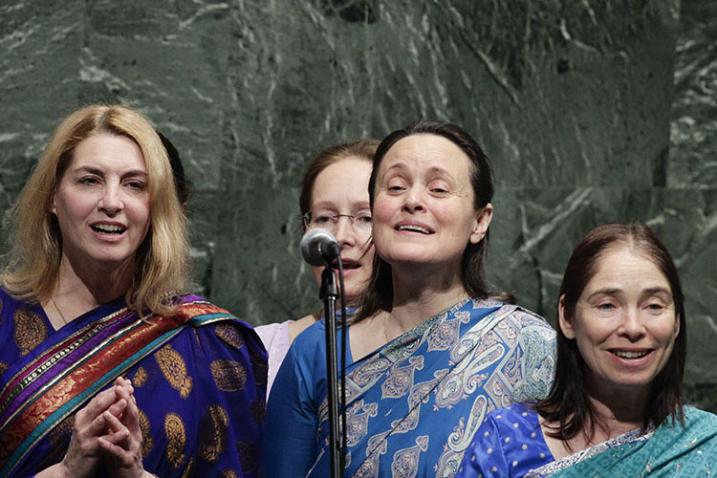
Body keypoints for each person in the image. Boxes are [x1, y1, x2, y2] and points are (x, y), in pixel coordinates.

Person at [262, 121, 556, 477]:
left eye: (438, 188)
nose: (413, 201)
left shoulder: (526, 345)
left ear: (480, 221)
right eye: (396, 187)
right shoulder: (318, 350)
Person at [0, 105, 267, 477]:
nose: (112, 202)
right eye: (89, 180)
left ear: (156, 207)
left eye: (135, 185)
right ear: (52, 196)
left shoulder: (210, 343)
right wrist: (65, 473)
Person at [457, 223, 717, 477]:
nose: (633, 327)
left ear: (677, 322)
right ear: (568, 317)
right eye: (607, 305)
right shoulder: (506, 440)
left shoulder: (705, 446)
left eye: (654, 306)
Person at [255, 139, 378, 397]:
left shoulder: (431, 349)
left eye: (365, 218)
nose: (340, 236)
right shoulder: (260, 350)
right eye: (324, 218)